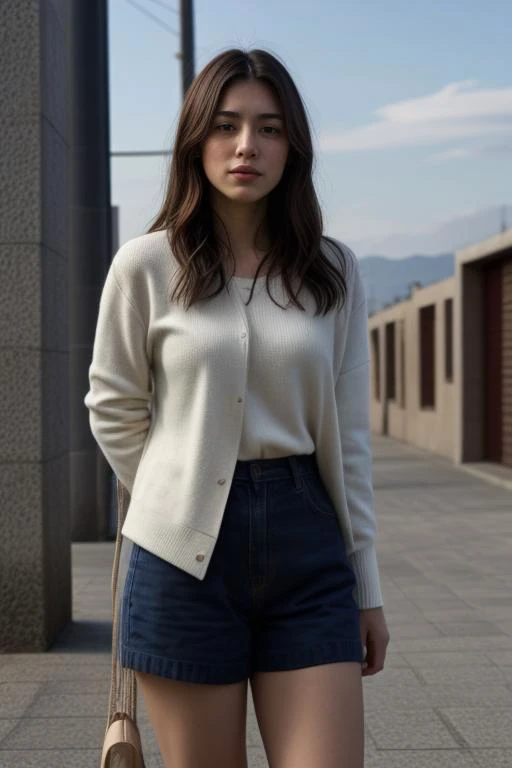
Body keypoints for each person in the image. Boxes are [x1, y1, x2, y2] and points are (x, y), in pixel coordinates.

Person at [85, 47, 390, 768]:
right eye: (226, 126)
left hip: (308, 546)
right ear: (197, 139)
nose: (246, 146)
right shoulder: (147, 265)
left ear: (295, 146)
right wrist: (175, 490)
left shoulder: (334, 272)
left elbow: (348, 438)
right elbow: (113, 404)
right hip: (181, 560)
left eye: (269, 127)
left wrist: (368, 587)